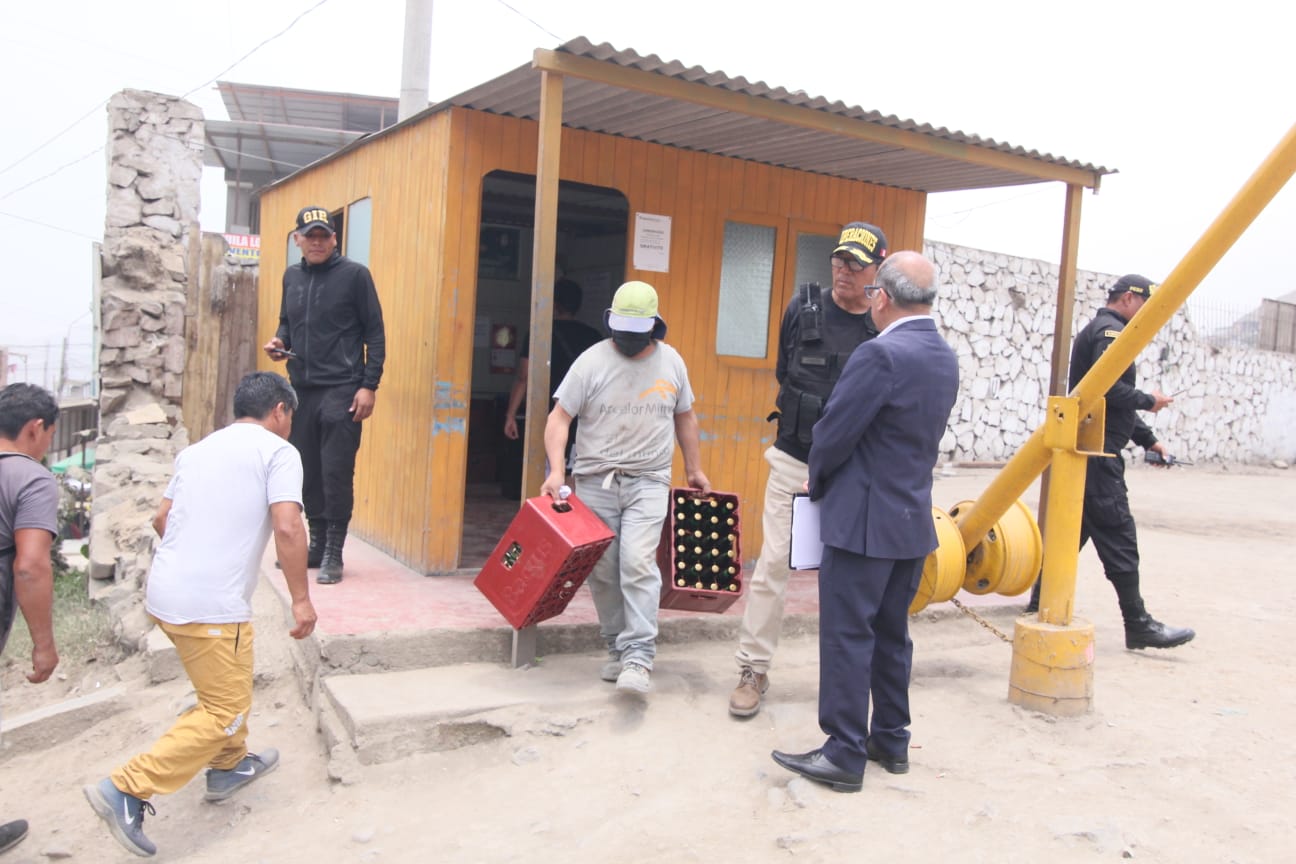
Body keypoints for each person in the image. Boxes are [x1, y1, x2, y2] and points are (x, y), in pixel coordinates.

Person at [84, 372, 318, 858]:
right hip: (211, 604)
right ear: (279, 410)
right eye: (289, 416)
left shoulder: (197, 451)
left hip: (168, 596)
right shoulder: (279, 452)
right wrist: (300, 599)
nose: (289, 425)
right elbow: (288, 527)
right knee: (223, 709)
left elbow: (161, 518)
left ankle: (230, 764)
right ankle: (127, 787)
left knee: (229, 675)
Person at [771, 251, 959, 793]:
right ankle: (891, 739)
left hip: (863, 522)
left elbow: (833, 433)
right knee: (891, 635)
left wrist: (818, 482)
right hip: (910, 520)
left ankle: (844, 751)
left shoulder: (880, 355)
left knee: (847, 635)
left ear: (881, 297)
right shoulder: (944, 357)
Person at [729, 221, 886, 718]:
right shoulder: (803, 307)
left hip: (853, 469)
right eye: (840, 261)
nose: (844, 271)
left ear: (878, 270)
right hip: (794, 457)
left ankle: (847, 682)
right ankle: (753, 669)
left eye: (857, 264)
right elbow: (784, 372)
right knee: (774, 564)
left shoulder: (884, 323)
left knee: (845, 577)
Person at [539, 280, 711, 695]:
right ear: (611, 325)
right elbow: (559, 418)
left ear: (653, 327)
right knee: (602, 570)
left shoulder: (672, 363)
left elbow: (684, 417)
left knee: (636, 562)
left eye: (637, 333)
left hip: (648, 480)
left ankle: (638, 656)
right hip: (596, 480)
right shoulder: (590, 362)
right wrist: (557, 472)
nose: (628, 341)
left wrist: (694, 469)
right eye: (622, 332)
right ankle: (616, 648)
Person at [1025, 274, 1195, 650]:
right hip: (1097, 458)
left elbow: (1102, 404)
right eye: (1146, 305)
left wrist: (1151, 440)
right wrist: (1147, 399)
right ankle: (1138, 625)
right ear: (1130, 299)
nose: (1147, 314)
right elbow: (1106, 390)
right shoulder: (1110, 331)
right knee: (1120, 537)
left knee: (1069, 539)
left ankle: (1038, 605)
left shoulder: (1105, 328)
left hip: (1089, 453)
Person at [264, 205, 386, 585]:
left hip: (343, 389)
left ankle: (335, 551)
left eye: (324, 236)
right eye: (309, 236)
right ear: (297, 240)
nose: (317, 243)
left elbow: (375, 334)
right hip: (301, 389)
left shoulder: (355, 276)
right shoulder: (292, 277)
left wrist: (369, 385)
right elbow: (287, 320)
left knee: (335, 472)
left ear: (335, 239)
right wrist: (280, 340)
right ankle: (315, 546)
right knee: (307, 471)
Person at [0, 383, 61, 858]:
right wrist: (43, 644)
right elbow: (30, 565)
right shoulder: (31, 478)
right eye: (49, 436)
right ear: (34, 428)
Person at [502, 278, 602, 477]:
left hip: (547, 411)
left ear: (554, 304)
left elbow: (523, 376)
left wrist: (510, 415)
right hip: (584, 414)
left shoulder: (540, 333)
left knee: (548, 469)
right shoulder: (594, 337)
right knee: (576, 470)